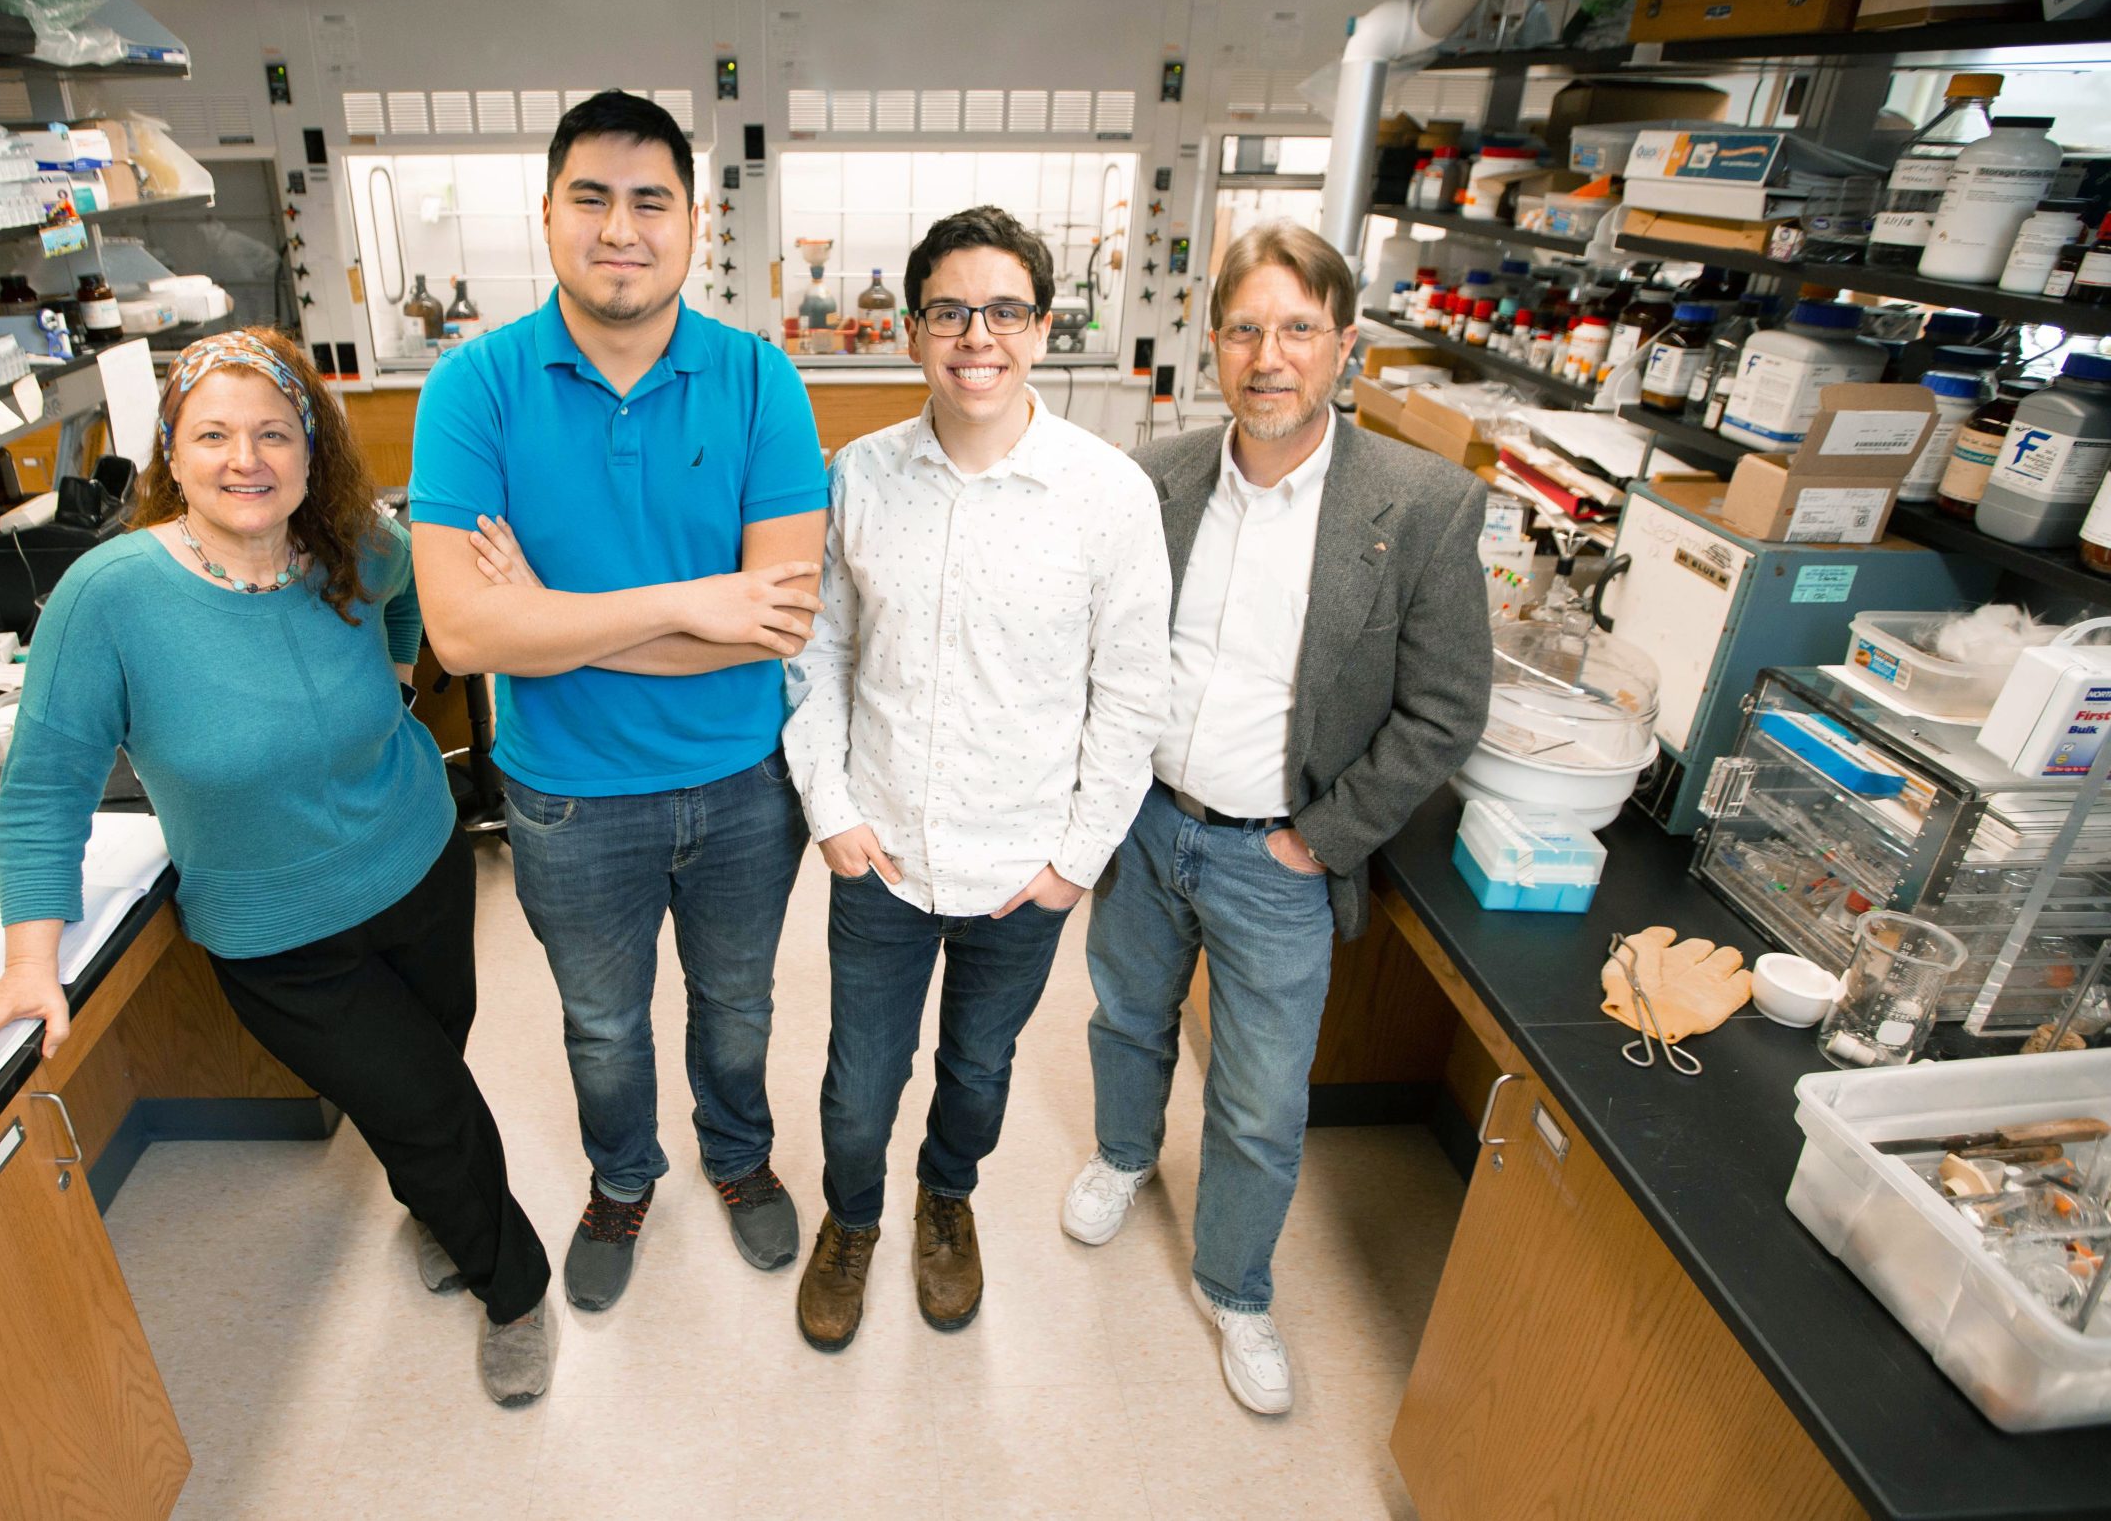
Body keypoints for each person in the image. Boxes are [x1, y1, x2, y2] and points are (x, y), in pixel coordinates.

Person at [0, 327, 556, 1407]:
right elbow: (42, 787)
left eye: (272, 432)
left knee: (428, 1082)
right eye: (211, 433)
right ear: (171, 450)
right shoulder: (108, 596)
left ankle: (443, 1208)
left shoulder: (358, 542)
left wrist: (398, 669)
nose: (244, 458)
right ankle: (516, 1292)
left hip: (419, 863)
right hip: (280, 935)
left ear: (312, 450)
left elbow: (411, 601)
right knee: (428, 1106)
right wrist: (30, 959)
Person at [410, 91, 830, 1314]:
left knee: (738, 1006)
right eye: (590, 198)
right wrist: (695, 607)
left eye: (651, 201)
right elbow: (461, 631)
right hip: (567, 800)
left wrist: (553, 625)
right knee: (600, 1024)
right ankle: (624, 1178)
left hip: (746, 785)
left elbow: (777, 623)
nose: (620, 228)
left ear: (694, 224)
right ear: (547, 214)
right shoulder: (473, 388)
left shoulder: (759, 381)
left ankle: (741, 1162)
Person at [1059, 222, 1489, 1416]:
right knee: (1125, 1017)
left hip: (1279, 857)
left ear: (1343, 346)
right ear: (1213, 343)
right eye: (1245, 327)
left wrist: (1323, 838)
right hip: (1147, 825)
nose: (1268, 356)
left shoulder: (1423, 505)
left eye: (1298, 328)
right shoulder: (1155, 478)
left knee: (1257, 1097)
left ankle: (1235, 1285)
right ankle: (1123, 1156)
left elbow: (1446, 707)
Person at [776, 207, 1169, 1354]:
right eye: (948, 311)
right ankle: (852, 1224)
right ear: (912, 331)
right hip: (881, 857)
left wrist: (1072, 862)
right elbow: (820, 652)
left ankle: (945, 1204)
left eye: (1003, 310)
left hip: (1021, 868)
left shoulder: (1106, 494)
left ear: (1043, 327)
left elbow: (1131, 696)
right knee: (858, 1084)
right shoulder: (858, 477)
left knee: (980, 1072)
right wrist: (833, 813)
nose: (975, 336)